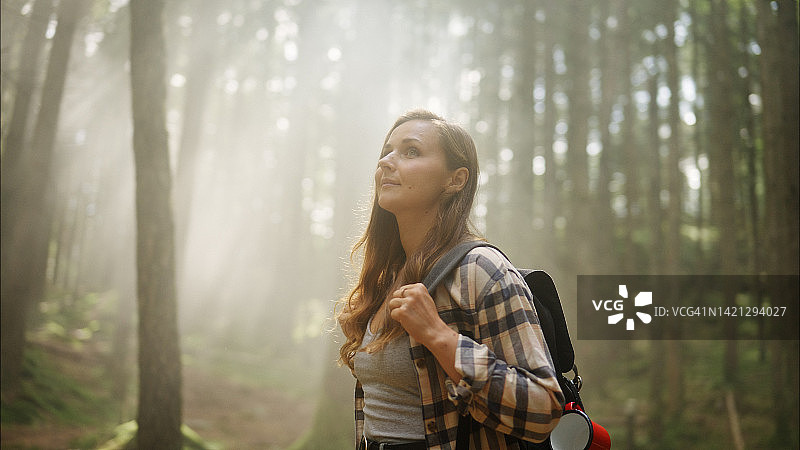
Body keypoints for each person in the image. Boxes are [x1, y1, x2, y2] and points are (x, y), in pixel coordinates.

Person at [337, 109, 564, 450]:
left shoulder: (480, 269)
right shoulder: (387, 278)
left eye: (411, 151)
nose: (386, 161)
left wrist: (440, 338)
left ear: (455, 180)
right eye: (387, 150)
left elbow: (543, 410)